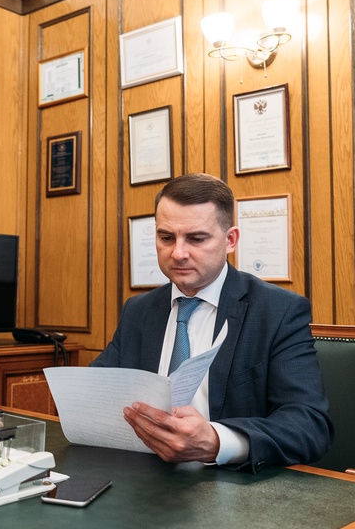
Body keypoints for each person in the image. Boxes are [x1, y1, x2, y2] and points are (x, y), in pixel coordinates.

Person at [91, 173, 333, 472]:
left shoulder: (277, 311)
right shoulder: (138, 311)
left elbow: (309, 425)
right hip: (143, 475)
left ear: (230, 240)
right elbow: (97, 391)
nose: (178, 253)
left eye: (196, 238)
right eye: (166, 238)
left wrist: (218, 442)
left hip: (233, 483)